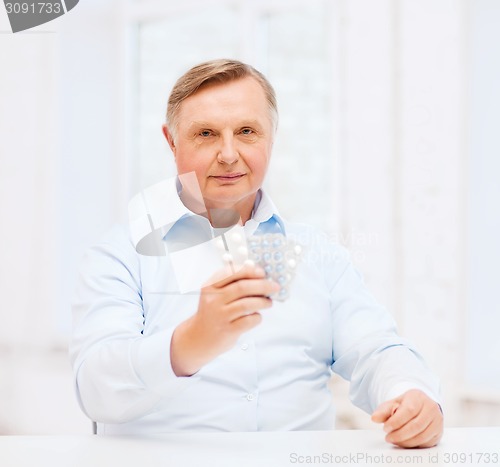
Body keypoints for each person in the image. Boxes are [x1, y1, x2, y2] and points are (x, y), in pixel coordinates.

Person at [70, 59, 443, 447]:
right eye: (206, 133)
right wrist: (189, 343)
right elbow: (95, 388)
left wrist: (412, 393)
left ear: (271, 137)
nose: (229, 154)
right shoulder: (121, 254)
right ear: (171, 141)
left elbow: (375, 348)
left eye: (247, 131)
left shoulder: (319, 254)